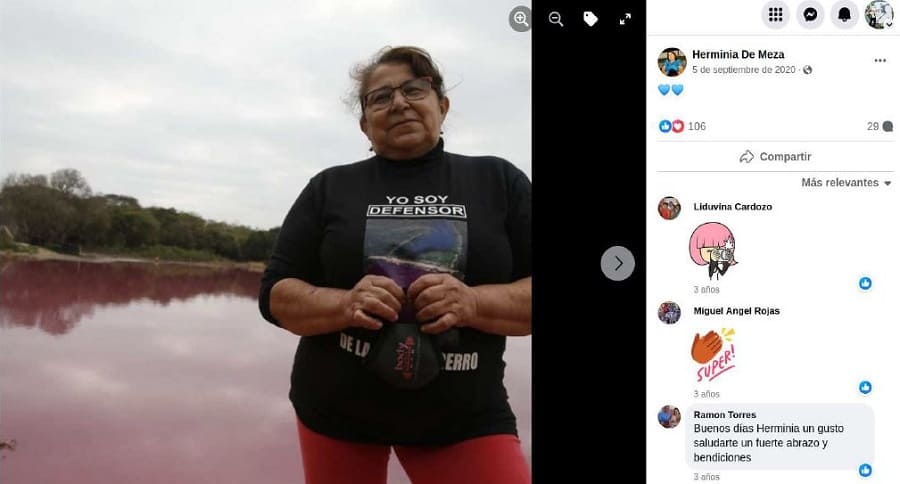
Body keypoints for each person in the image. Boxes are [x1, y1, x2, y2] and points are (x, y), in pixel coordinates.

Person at [258, 46, 532, 484]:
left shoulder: (499, 181)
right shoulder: (330, 187)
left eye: (413, 89)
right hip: (336, 413)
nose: (399, 103)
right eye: (380, 97)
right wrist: (344, 304)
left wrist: (474, 303)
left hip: (463, 419)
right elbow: (275, 294)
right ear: (365, 124)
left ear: (441, 105)